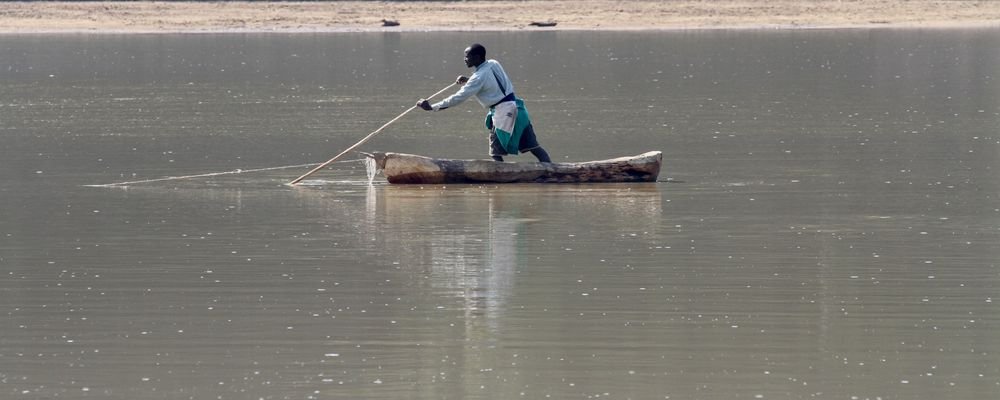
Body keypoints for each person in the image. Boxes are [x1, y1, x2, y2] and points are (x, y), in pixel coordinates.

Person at [417, 43, 551, 163]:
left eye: (467, 57)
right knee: (535, 148)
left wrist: (432, 107)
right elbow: (490, 83)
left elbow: (458, 98)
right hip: (518, 109)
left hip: (502, 114)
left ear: (477, 58)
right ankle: (551, 170)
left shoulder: (478, 78)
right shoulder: (493, 63)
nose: (465, 59)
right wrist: (468, 80)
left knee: (495, 153)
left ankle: (499, 179)